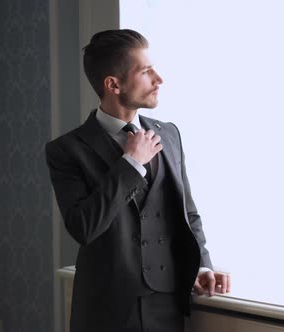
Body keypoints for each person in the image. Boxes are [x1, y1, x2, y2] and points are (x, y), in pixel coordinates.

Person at [46, 29, 230, 332]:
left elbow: (188, 212)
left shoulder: (169, 134)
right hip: (105, 310)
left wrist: (202, 264)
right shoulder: (67, 150)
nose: (159, 79)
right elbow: (83, 226)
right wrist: (130, 163)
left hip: (167, 306)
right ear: (113, 84)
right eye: (146, 71)